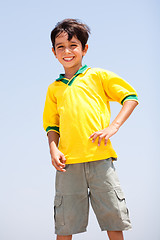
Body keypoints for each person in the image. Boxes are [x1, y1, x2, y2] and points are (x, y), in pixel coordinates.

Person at [43, 18, 139, 240]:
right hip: (67, 164)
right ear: (54, 52)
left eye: (73, 45)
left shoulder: (98, 76)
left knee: (114, 220)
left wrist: (113, 127)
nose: (67, 51)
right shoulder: (54, 89)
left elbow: (130, 97)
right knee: (65, 225)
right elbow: (51, 124)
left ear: (84, 49)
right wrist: (53, 149)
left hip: (100, 159)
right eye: (61, 47)